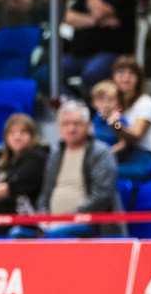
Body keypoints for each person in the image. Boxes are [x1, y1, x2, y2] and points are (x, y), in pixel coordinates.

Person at [36, 100, 124, 236]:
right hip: (51, 224)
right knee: (17, 234)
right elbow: (45, 194)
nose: (71, 128)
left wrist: (67, 218)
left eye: (76, 123)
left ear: (88, 126)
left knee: (54, 234)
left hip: (88, 223)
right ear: (59, 128)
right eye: (66, 124)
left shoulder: (101, 153)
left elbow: (101, 197)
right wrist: (44, 217)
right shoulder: (55, 155)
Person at [61, 0, 137, 93]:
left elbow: (99, 12)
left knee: (92, 72)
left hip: (110, 54)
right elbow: (68, 17)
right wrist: (96, 22)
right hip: (79, 55)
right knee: (48, 72)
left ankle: (94, 108)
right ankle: (73, 105)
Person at [105, 55, 151, 181]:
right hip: (116, 155)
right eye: (120, 72)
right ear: (113, 76)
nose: (125, 78)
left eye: (131, 73)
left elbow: (135, 136)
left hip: (140, 157)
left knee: (102, 173)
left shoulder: (146, 102)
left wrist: (116, 125)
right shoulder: (110, 102)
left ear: (139, 79)